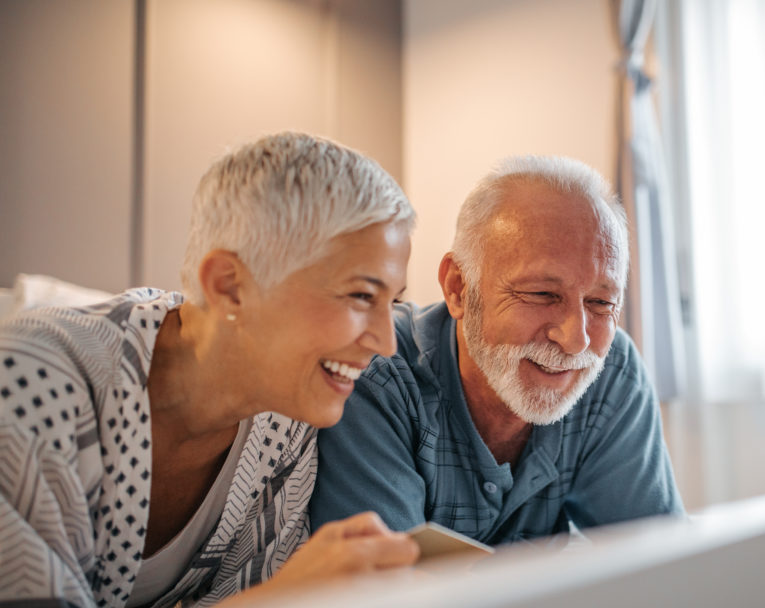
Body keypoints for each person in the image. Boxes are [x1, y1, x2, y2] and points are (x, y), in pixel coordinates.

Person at [0, 132, 420, 608]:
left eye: (394, 301)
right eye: (361, 296)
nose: (386, 343)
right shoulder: (28, 380)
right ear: (230, 285)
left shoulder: (286, 425)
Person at [311, 155, 684, 546]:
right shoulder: (377, 373)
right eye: (542, 294)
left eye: (600, 304)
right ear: (458, 288)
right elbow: (383, 591)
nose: (577, 341)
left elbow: (661, 559)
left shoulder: (613, 371)